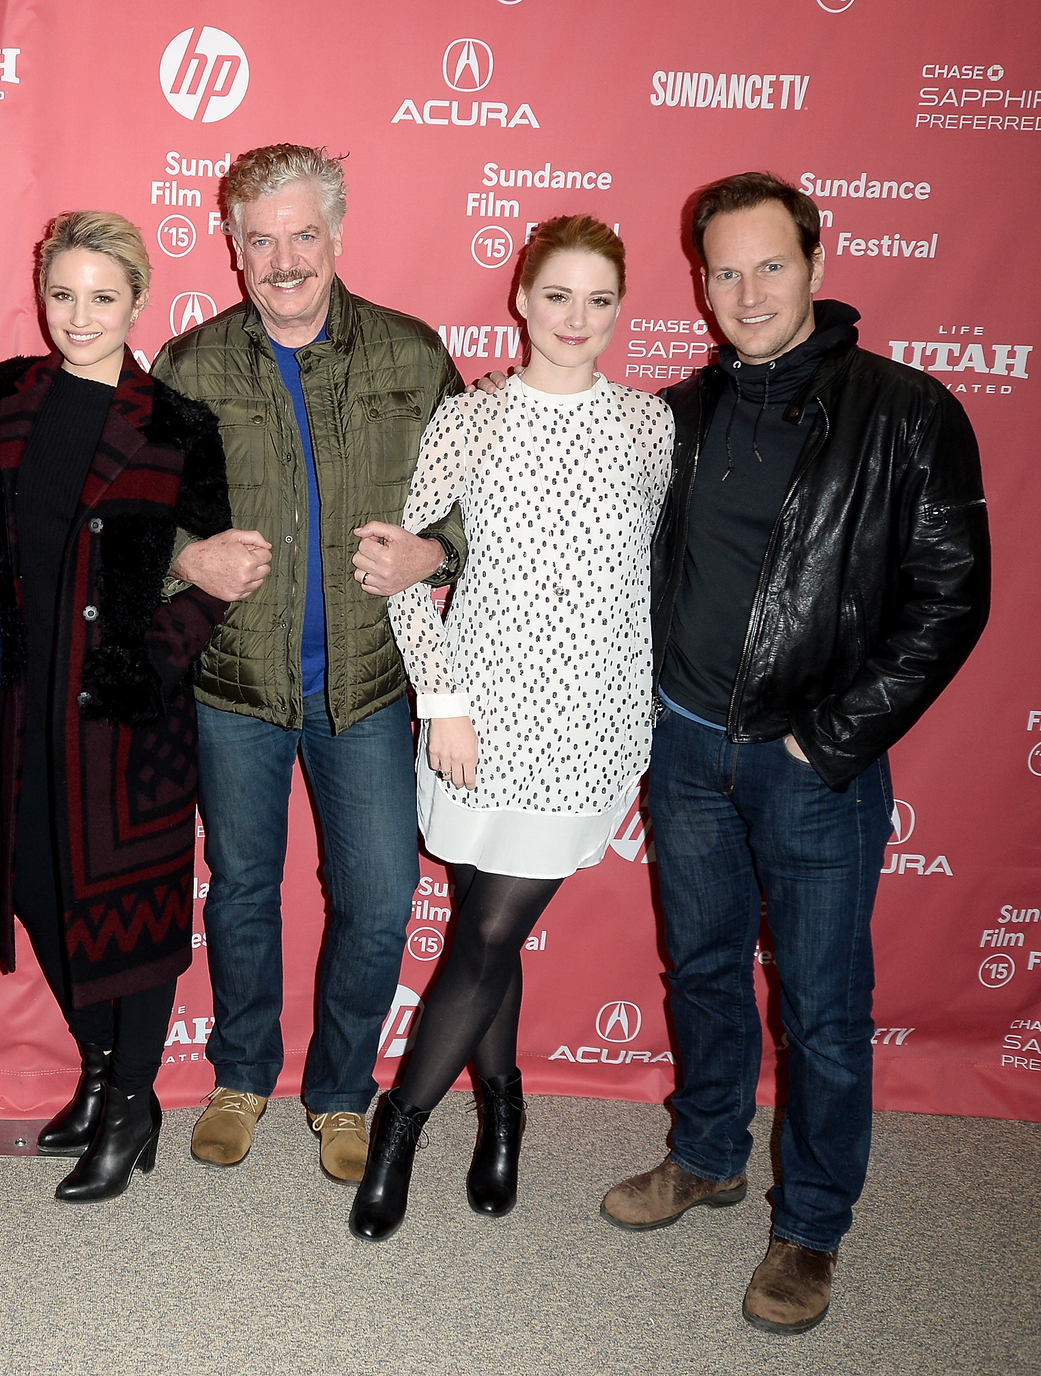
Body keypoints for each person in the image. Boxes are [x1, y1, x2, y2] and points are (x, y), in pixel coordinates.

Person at [596, 172, 989, 1334]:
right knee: (702, 969)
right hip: (684, 748)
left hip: (811, 763)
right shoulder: (677, 413)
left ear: (815, 264)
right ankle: (708, 1150)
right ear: (698, 282)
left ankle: (809, 1225)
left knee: (819, 1007)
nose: (746, 290)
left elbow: (949, 596)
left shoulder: (907, 412)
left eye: (769, 264)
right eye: (722, 269)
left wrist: (833, 737)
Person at [349, 216, 673, 1242]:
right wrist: (441, 700)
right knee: (485, 927)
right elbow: (398, 567)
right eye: (557, 295)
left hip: (590, 729)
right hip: (475, 725)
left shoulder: (646, 428)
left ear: (618, 310)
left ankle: (398, 1126)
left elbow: (637, 584)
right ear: (519, 299)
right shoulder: (470, 420)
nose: (576, 319)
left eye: (598, 299)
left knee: (485, 932)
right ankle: (501, 1116)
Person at [150, 145, 467, 1183]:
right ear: (231, 245)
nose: (282, 258)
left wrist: (434, 550)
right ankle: (241, 1073)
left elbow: (480, 501)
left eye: (301, 234)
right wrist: (186, 556)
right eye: (259, 237)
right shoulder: (188, 365)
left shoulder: (411, 356)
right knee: (241, 888)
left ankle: (340, 1091)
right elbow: (132, 515)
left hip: (369, 682)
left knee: (377, 897)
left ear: (335, 234)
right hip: (235, 684)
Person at [0, 212, 235, 1201]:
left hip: (126, 716)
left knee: (130, 916)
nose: (78, 315)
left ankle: (126, 1106)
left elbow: (214, 575)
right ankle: (104, 1070)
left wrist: (139, 661)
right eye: (61, 294)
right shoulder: (8, 394)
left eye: (101, 297)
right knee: (36, 891)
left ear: (136, 301)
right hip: (18, 700)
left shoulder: (175, 423)